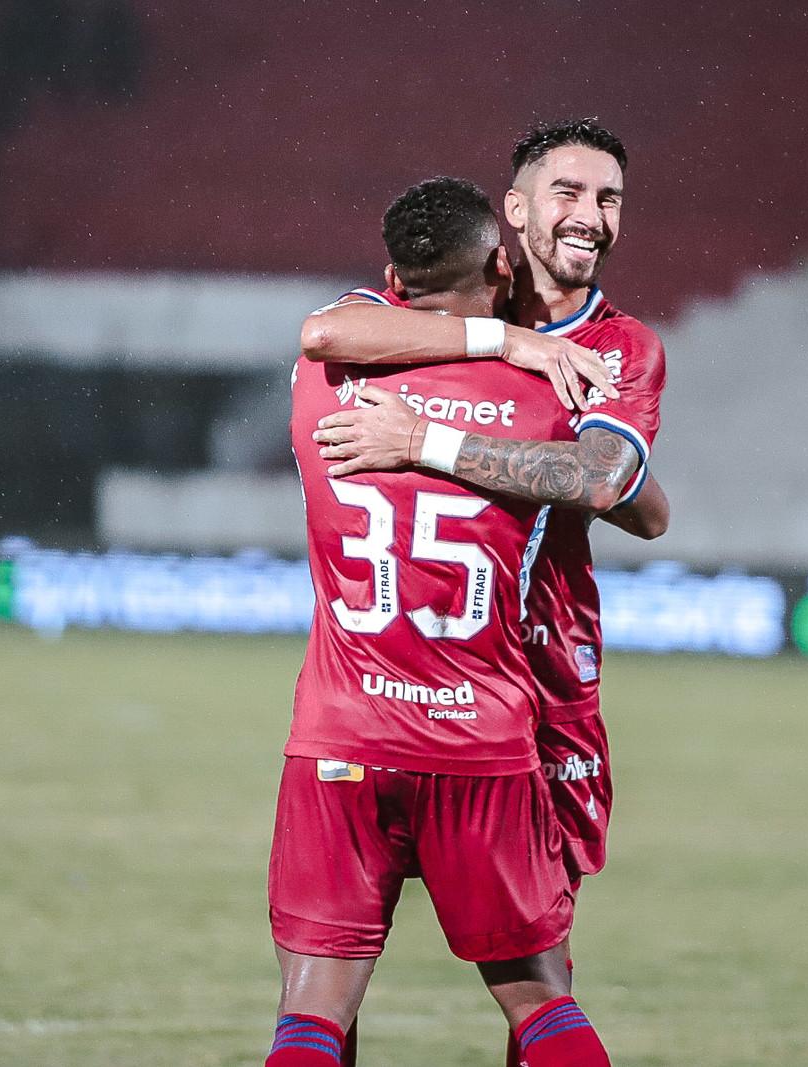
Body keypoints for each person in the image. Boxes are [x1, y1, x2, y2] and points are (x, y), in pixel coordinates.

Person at [304, 119, 667, 1066]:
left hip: (546, 688)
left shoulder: (620, 346)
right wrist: (506, 341)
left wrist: (421, 440)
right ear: (514, 214)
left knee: (539, 973)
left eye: (609, 198)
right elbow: (326, 330)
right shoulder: (453, 308)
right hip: (436, 672)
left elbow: (606, 484)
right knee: (386, 963)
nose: (590, 215)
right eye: (568, 192)